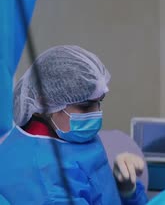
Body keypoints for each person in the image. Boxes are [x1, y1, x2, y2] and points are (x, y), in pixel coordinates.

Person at [0, 45, 148, 204]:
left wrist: (125, 189)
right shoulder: (48, 180)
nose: (96, 113)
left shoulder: (69, 136)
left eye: (100, 102)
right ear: (44, 103)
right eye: (86, 106)